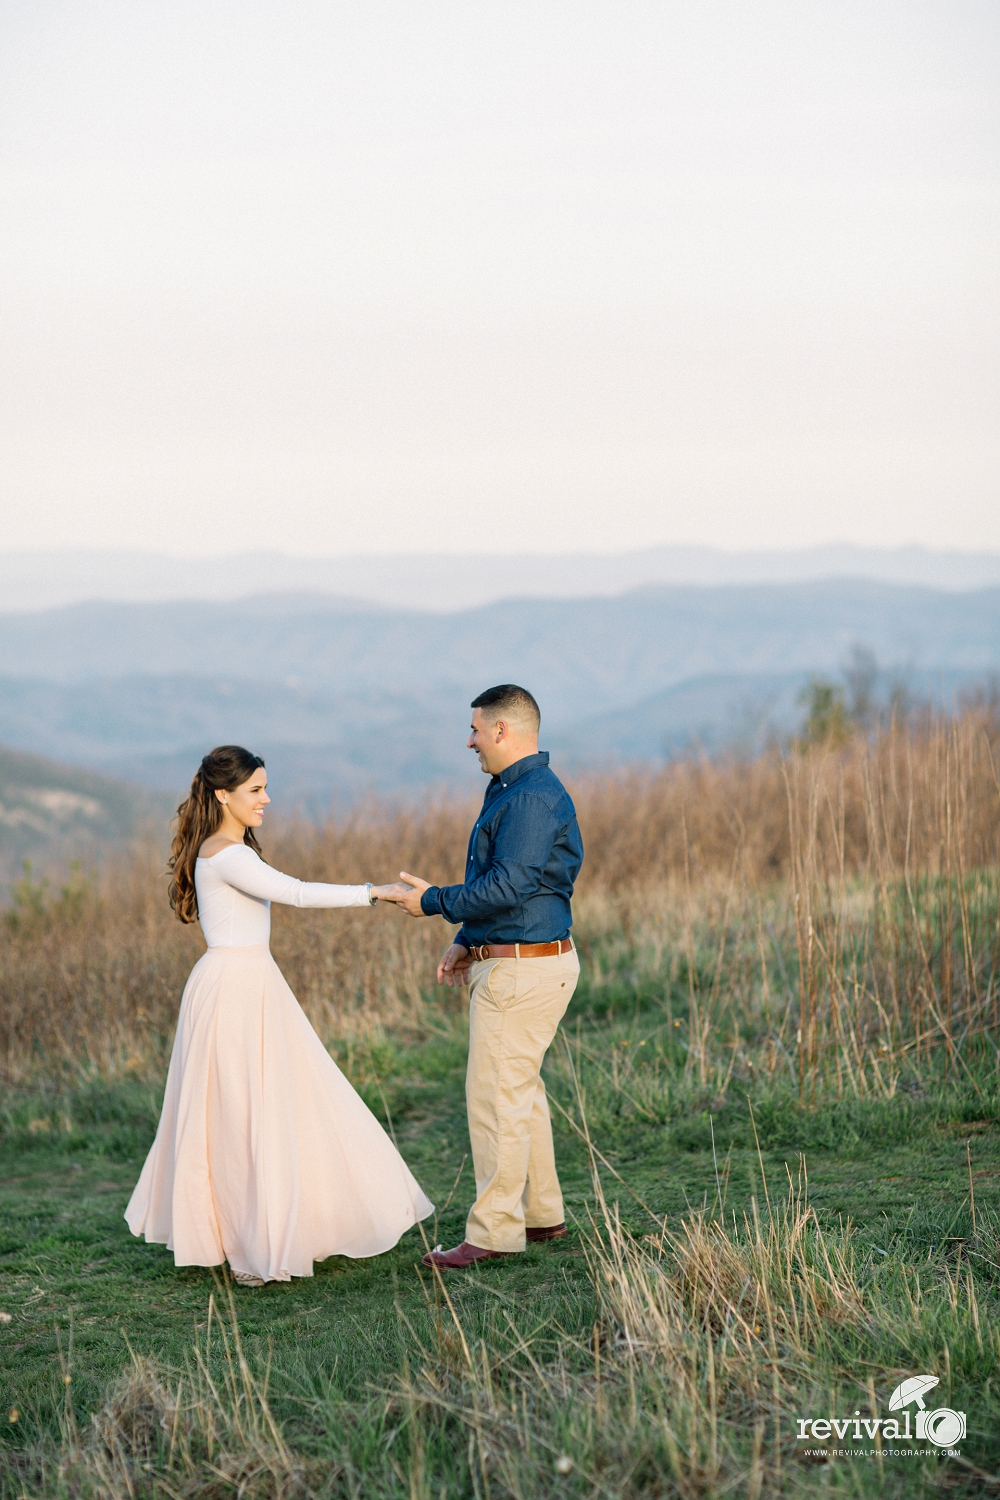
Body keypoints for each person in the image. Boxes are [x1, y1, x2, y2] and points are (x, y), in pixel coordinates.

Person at [125, 745, 433, 1286]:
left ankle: (257, 1231)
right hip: (235, 991)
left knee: (258, 1109)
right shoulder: (227, 854)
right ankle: (252, 1245)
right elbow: (295, 892)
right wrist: (374, 893)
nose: (267, 799)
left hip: (248, 984)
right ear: (224, 795)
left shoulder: (226, 847)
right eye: (255, 790)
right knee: (244, 1114)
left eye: (266, 787)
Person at [384, 685, 583, 1269]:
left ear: (502, 730)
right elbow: (515, 888)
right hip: (526, 960)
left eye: (475, 729)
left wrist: (432, 901)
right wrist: (468, 940)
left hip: (523, 974)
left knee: (496, 1100)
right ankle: (542, 1215)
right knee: (522, 1093)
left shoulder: (528, 800)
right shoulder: (517, 790)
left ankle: (494, 1231)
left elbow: (509, 886)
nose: (468, 740)